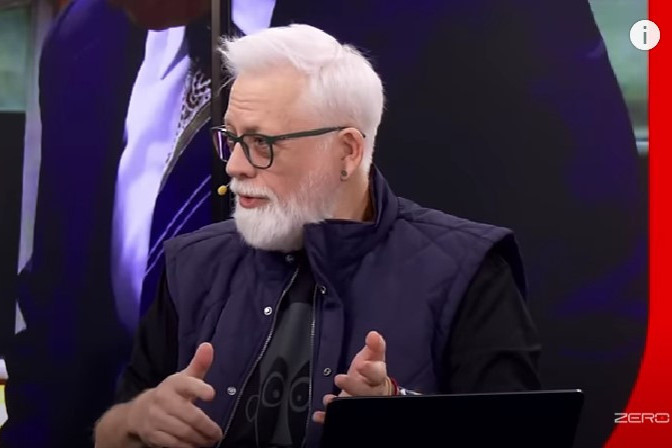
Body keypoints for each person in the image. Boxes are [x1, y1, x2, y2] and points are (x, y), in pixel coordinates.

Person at [93, 24, 541, 448]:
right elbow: (111, 431)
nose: (234, 166)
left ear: (347, 151)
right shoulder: (191, 263)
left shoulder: (469, 270)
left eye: (263, 144)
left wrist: (399, 412)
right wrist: (138, 420)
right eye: (231, 138)